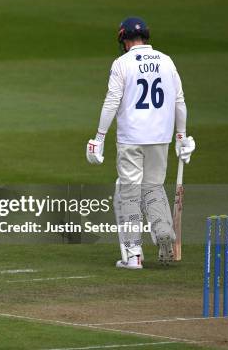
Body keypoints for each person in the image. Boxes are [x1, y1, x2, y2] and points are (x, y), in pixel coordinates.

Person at [85, 17, 195, 269]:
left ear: (124, 40)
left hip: (131, 138)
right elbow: (179, 101)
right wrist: (181, 135)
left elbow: (112, 101)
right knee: (153, 188)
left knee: (129, 193)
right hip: (160, 137)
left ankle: (133, 254)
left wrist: (99, 138)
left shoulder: (122, 63)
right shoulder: (166, 61)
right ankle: (164, 232)